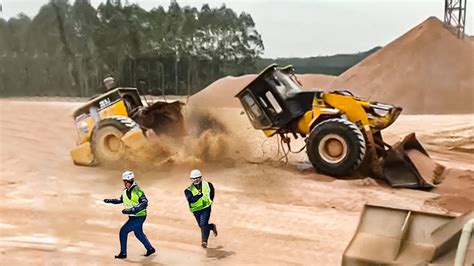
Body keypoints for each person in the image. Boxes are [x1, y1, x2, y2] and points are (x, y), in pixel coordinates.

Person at [104, 171, 156, 259]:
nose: (125, 183)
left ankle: (123, 254)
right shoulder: (125, 191)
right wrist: (110, 200)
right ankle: (150, 249)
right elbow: (120, 200)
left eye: (126, 181)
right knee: (138, 233)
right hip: (134, 217)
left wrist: (132, 210)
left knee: (123, 231)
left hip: (139, 217)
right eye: (125, 181)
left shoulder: (137, 190)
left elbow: (144, 203)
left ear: (129, 181)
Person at [184, 169, 217, 248]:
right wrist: (200, 195)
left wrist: (210, 201)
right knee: (202, 226)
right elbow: (191, 199)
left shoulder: (208, 184)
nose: (196, 179)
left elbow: (212, 192)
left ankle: (204, 242)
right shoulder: (188, 190)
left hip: (206, 207)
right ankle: (211, 226)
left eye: (197, 177)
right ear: (191, 179)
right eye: (194, 178)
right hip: (196, 210)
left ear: (201, 177)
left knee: (203, 224)